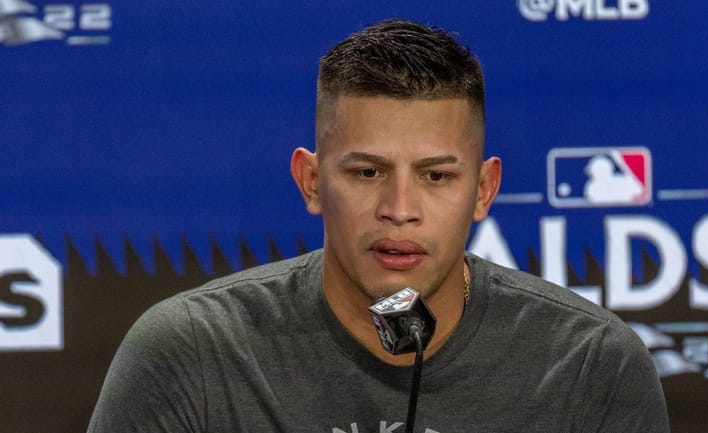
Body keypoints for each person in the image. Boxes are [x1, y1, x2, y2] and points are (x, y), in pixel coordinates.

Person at [88, 18, 669, 432]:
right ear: (311, 182)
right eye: (367, 172)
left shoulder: (592, 363)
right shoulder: (191, 353)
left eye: (437, 176)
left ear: (484, 190)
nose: (399, 207)